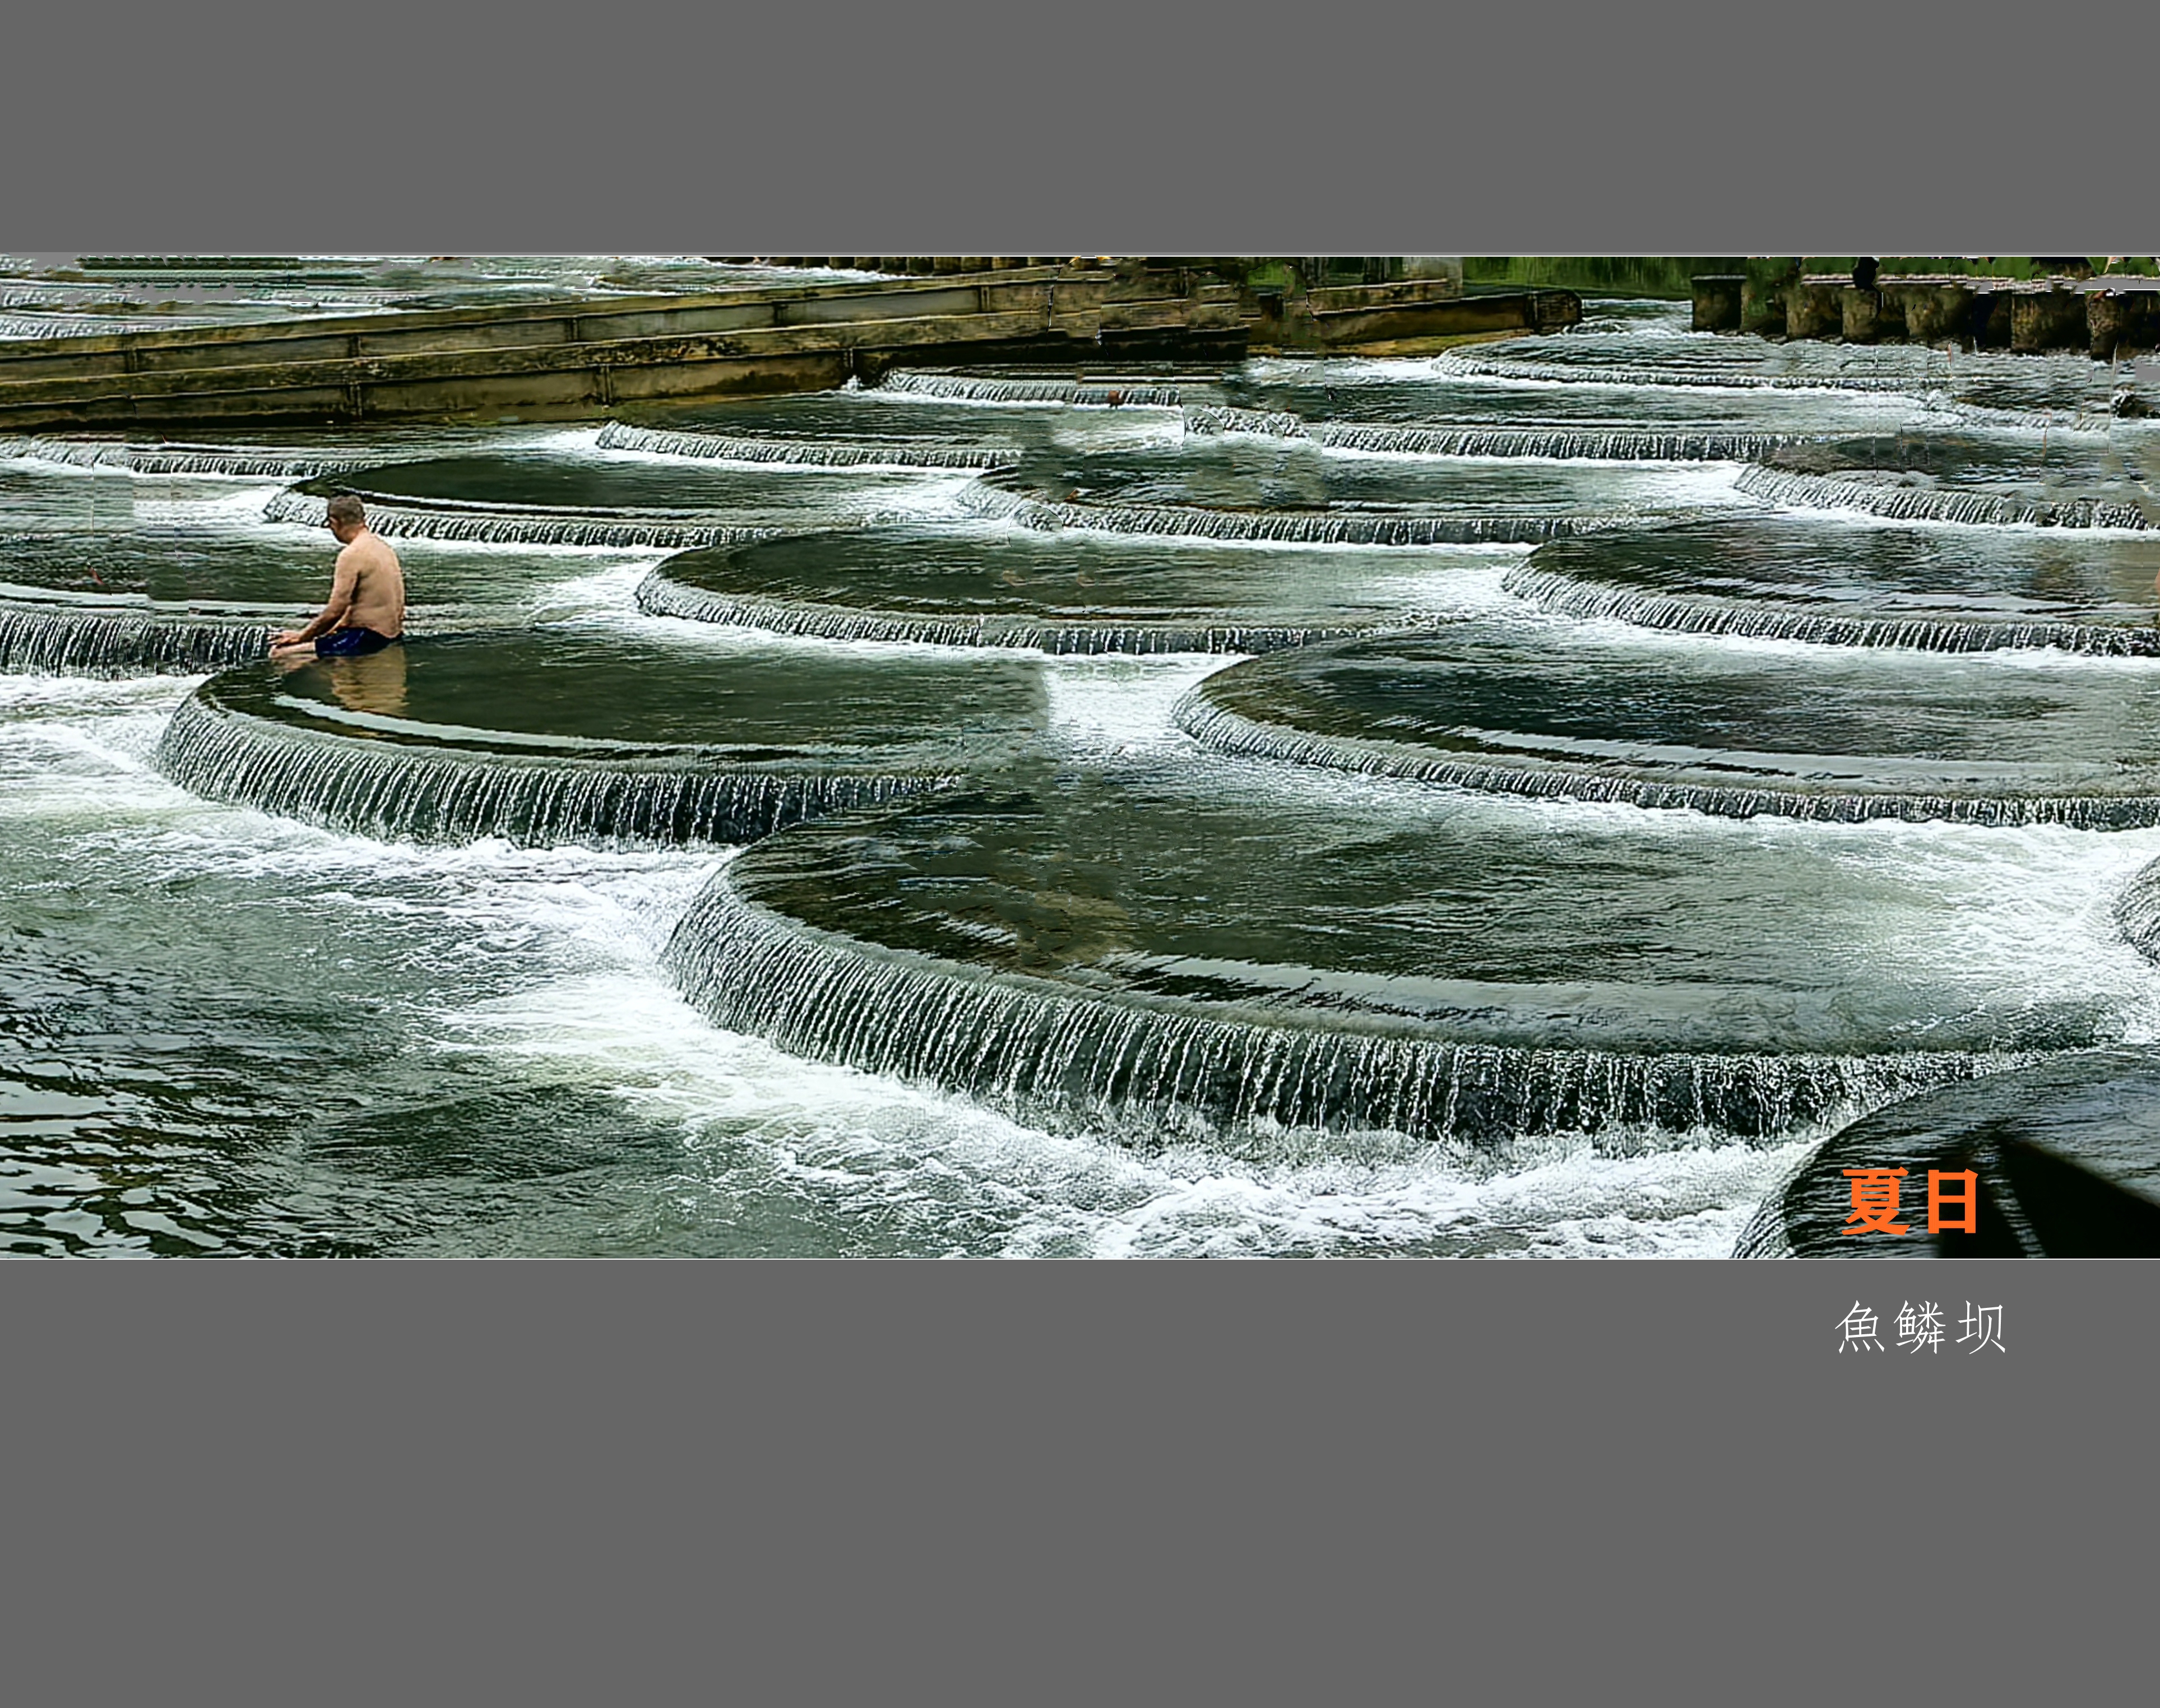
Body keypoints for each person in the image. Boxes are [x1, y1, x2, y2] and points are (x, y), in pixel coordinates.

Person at [270, 494, 405, 658]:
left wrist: (301, 638)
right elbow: (357, 606)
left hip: (366, 638)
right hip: (389, 634)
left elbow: (335, 611)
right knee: (312, 645)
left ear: (334, 523)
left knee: (281, 655)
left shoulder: (352, 554)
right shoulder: (382, 547)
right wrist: (318, 635)